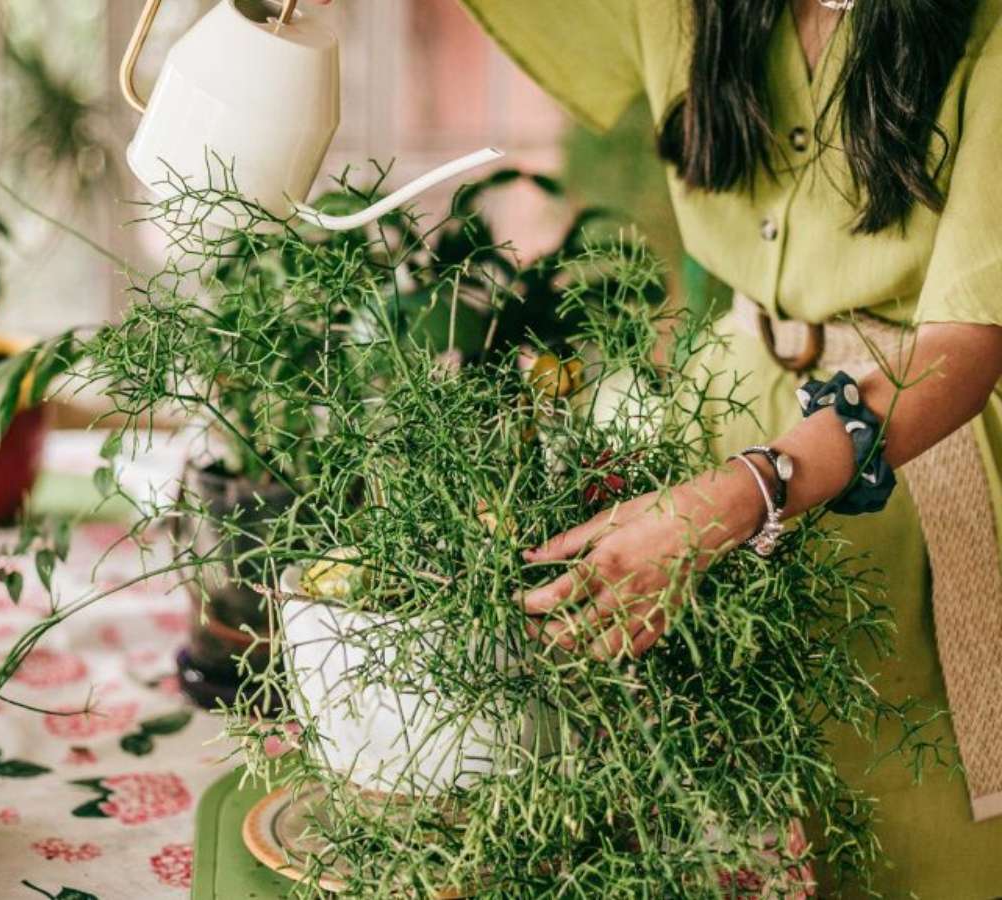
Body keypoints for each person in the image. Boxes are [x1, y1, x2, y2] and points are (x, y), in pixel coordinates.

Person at [312, 0, 1002, 895]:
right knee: (676, 812)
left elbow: (966, 347)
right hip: (715, 428)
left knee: (908, 825)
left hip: (915, 463)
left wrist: (743, 493)